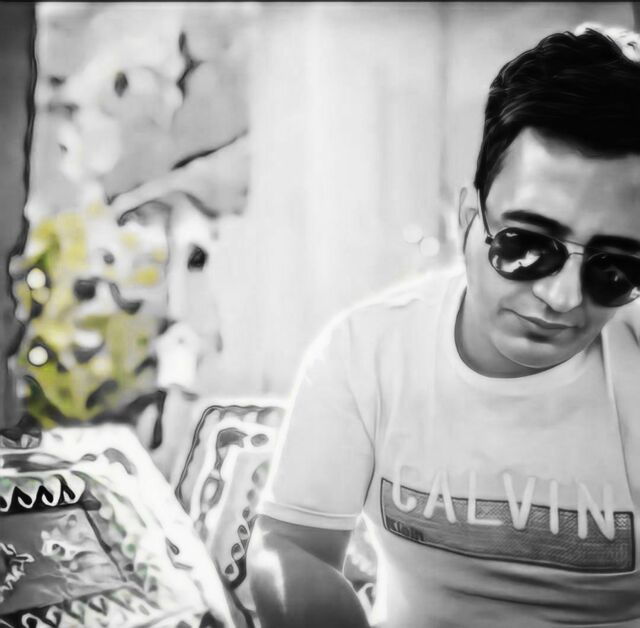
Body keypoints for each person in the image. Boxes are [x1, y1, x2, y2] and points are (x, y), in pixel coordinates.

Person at [247, 25, 640, 627]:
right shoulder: (366, 351)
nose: (561, 297)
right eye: (526, 246)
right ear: (467, 220)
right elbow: (291, 544)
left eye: (614, 269)